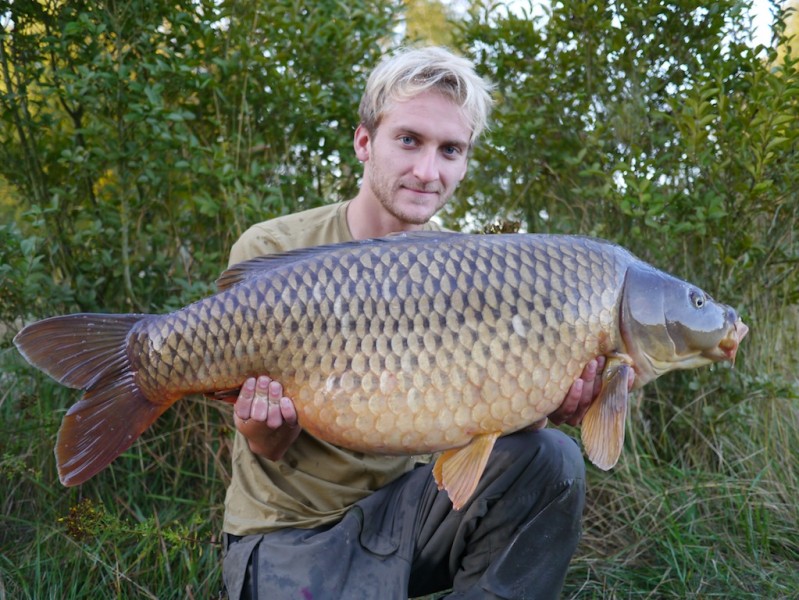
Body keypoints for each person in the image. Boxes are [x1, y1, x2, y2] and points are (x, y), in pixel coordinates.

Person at [222, 45, 614, 600]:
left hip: (407, 518)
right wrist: (265, 434)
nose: (428, 171)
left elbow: (478, 427)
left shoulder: (469, 270)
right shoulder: (276, 249)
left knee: (551, 458)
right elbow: (264, 445)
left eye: (450, 149)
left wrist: (535, 406)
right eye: (409, 140)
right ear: (364, 142)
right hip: (292, 533)